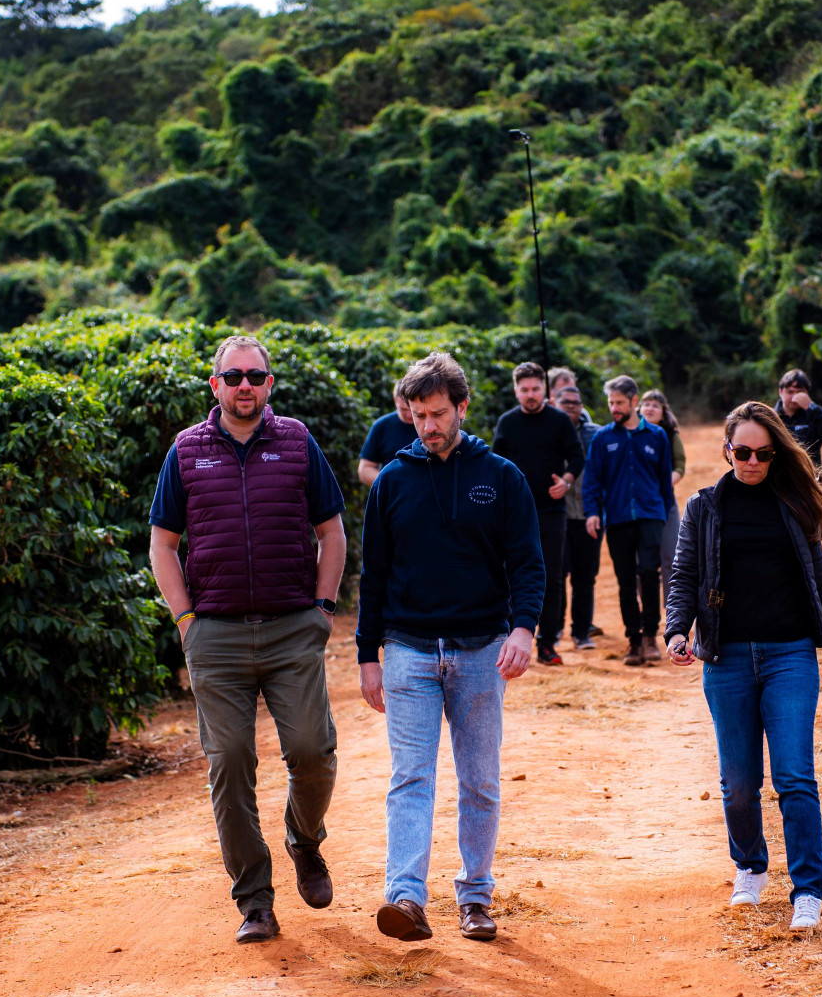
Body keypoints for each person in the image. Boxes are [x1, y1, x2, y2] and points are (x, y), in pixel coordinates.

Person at [148, 335, 348, 945]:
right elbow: (163, 545)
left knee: (313, 752)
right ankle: (255, 901)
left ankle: (303, 840)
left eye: (255, 376)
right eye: (232, 376)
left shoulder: (297, 441)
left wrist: (323, 607)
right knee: (230, 763)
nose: (244, 385)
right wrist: (186, 622)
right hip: (216, 636)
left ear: (269, 385)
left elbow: (333, 531)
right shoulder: (186, 451)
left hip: (293, 631)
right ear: (215, 385)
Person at [358, 352, 544, 944]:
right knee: (410, 779)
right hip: (408, 652)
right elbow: (374, 575)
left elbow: (528, 564)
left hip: (481, 651)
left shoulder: (503, 476)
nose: (428, 426)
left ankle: (476, 896)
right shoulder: (392, 480)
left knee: (480, 781)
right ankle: (406, 899)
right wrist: (368, 656)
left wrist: (523, 628)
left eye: (438, 414)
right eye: (418, 416)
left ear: (463, 407)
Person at [664, 400, 822, 931]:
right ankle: (750, 866)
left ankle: (808, 891)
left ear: (775, 454)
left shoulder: (793, 505)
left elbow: (821, 583)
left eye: (763, 454)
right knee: (739, 783)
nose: (752, 462)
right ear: (727, 450)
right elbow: (682, 576)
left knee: (795, 776)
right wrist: (676, 630)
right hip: (725, 659)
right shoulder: (703, 507)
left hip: (789, 655)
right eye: (742, 452)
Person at [492, 362, 585, 666]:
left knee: (552, 575)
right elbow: (495, 464)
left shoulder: (559, 420)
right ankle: (506, 639)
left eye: (535, 389)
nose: (530, 395)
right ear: (516, 390)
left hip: (550, 509)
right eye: (524, 389)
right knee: (507, 574)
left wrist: (567, 481)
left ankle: (547, 641)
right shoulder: (507, 422)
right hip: (512, 513)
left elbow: (577, 456)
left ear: (545, 389)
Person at [581, 375, 677, 668]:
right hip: (618, 516)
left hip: (650, 515)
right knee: (625, 581)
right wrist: (593, 512)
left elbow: (664, 479)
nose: (614, 408)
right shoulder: (603, 438)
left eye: (620, 402)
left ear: (634, 402)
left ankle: (650, 636)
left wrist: (664, 512)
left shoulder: (657, 436)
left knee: (649, 572)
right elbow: (592, 480)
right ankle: (633, 641)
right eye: (611, 403)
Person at [557, 386, 603, 651]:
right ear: (556, 403)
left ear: (581, 405)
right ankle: (555, 630)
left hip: (588, 515)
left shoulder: (594, 434)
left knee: (585, 577)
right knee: (557, 576)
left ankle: (582, 633)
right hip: (558, 515)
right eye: (566, 402)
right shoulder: (549, 430)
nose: (571, 406)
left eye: (575, 402)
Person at [638, 389, 686, 606]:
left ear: (663, 412)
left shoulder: (669, 434)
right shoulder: (629, 434)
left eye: (655, 405)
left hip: (665, 503)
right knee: (641, 562)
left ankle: (673, 610)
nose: (650, 408)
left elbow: (680, 466)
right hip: (637, 506)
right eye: (646, 404)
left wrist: (662, 486)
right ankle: (646, 608)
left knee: (671, 557)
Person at [777, 369, 822, 477]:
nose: (794, 397)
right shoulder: (771, 417)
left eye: (799, 392)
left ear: (807, 393)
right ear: (780, 392)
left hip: (810, 480)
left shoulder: (813, 414)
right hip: (780, 483)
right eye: (790, 392)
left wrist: (811, 407)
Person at [358, 380, 417, 486]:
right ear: (395, 401)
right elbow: (364, 470)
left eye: (412, 410)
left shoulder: (430, 426)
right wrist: (392, 482)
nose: (409, 415)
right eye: (403, 410)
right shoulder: (382, 425)